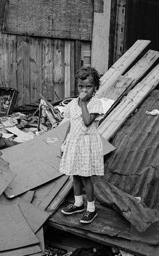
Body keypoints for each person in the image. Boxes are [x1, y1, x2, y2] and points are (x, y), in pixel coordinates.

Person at [59, 66, 104, 224]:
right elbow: (71, 125)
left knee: (86, 177)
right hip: (74, 142)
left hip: (86, 144)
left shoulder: (95, 103)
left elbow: (86, 122)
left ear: (95, 88)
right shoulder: (72, 104)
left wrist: (84, 103)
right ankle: (78, 203)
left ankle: (91, 209)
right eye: (81, 86)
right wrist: (64, 144)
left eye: (89, 86)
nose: (84, 90)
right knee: (75, 175)